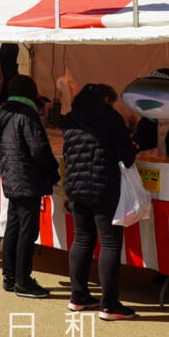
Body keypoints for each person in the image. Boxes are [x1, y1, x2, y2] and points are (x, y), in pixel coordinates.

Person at [61, 82, 139, 321]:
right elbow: (125, 155)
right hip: (103, 186)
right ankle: (109, 304)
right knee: (109, 243)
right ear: (107, 99)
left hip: (75, 186)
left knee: (82, 238)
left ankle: (78, 296)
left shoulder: (70, 118)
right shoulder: (110, 118)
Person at [0, 74, 59, 299]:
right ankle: (22, 280)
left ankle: (10, 276)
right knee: (27, 231)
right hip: (27, 178)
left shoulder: (5, 113)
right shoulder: (26, 114)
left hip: (11, 177)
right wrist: (53, 171)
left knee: (14, 228)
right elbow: (38, 149)